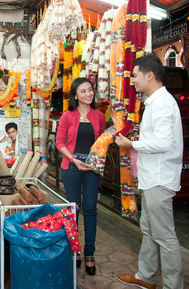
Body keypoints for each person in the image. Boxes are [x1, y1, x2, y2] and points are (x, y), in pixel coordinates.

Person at [115, 55, 184, 289]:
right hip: (150, 178)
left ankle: (173, 286)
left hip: (159, 179)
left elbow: (164, 142)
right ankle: (145, 275)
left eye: (135, 75)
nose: (133, 80)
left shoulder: (163, 103)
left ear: (149, 75)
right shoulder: (153, 102)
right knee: (148, 229)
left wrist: (131, 144)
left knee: (165, 237)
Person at [55, 77, 106, 275]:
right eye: (83, 91)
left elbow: (101, 142)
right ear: (75, 95)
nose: (88, 94)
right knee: (72, 209)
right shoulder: (68, 115)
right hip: (72, 166)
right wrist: (74, 160)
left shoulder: (99, 116)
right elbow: (59, 143)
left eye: (90, 90)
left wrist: (96, 161)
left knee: (90, 208)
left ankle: (89, 253)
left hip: (92, 168)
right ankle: (74, 249)